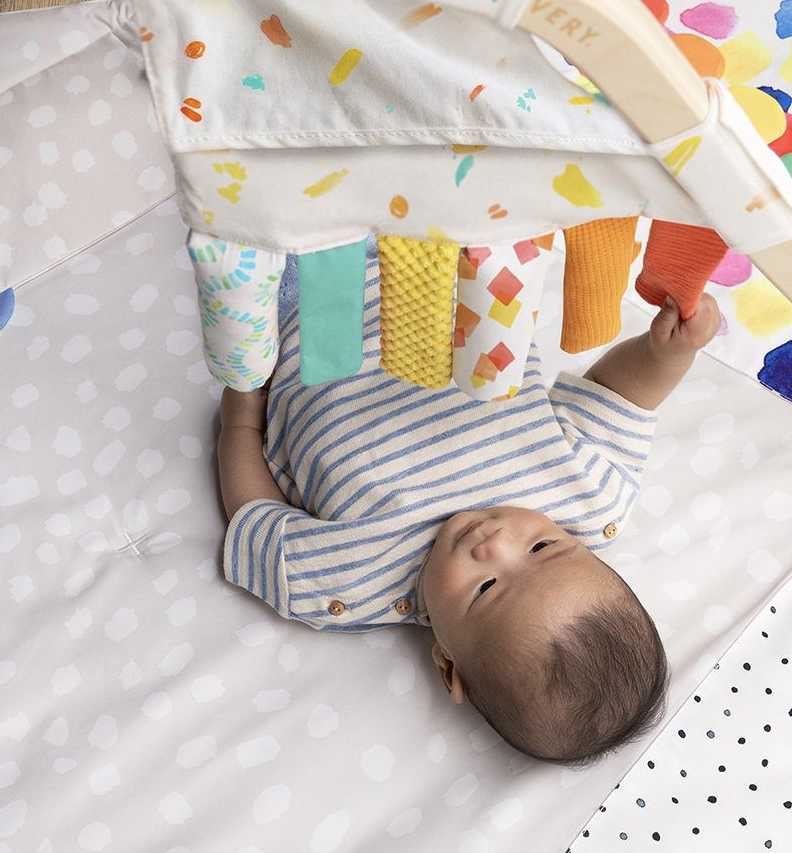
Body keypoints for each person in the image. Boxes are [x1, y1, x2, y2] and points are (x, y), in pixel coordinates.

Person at [218, 249, 720, 765]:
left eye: (485, 588)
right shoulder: (588, 497)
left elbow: (256, 517)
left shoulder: (350, 586)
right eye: (542, 547)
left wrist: (241, 420)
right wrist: (664, 357)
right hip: (450, 268)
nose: (495, 544)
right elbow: (620, 397)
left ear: (448, 665)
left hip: (304, 306)